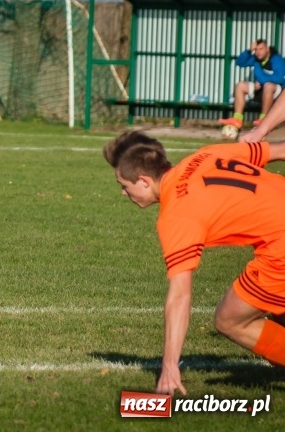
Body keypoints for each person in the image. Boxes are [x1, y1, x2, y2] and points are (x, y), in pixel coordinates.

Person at [104, 130, 285, 396]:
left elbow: (180, 295)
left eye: (124, 185)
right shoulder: (205, 154)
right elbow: (280, 149)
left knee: (230, 319)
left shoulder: (177, 214)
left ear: (143, 181)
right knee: (275, 312)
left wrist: (168, 366)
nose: (123, 192)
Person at [218, 39, 285, 129]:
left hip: (277, 93)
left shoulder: (276, 59)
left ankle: (263, 118)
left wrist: (261, 81)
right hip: (260, 89)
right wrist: (249, 51)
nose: (258, 52)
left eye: (261, 49)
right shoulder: (255, 59)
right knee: (240, 85)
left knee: (268, 85)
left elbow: (279, 78)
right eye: (256, 50)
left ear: (267, 49)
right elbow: (240, 62)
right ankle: (237, 119)